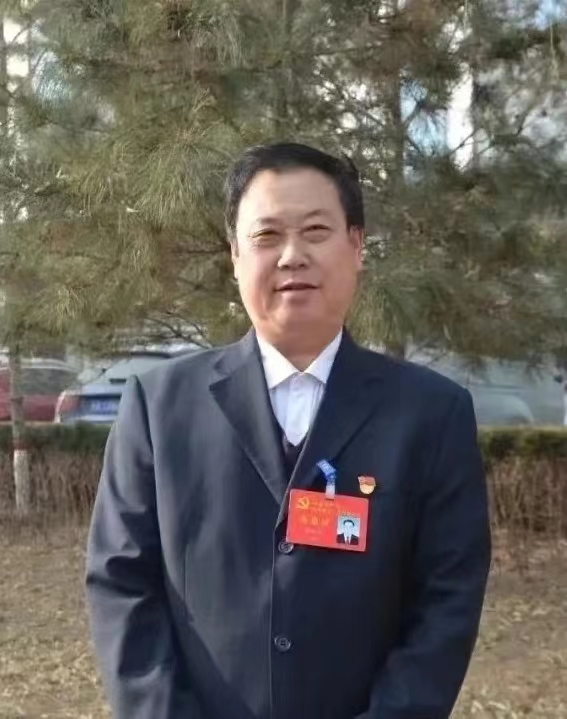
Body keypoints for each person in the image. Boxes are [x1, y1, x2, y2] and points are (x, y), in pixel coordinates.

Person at [86, 142, 491, 719]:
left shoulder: (431, 414)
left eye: (316, 231)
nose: (292, 255)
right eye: (267, 235)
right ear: (235, 256)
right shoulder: (158, 407)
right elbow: (121, 585)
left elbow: (446, 600)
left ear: (356, 246)